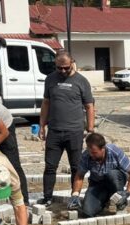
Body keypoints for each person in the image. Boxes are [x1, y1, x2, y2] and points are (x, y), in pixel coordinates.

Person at [38, 51, 95, 205]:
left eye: (66, 68)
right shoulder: (50, 79)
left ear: (72, 63)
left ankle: (74, 197)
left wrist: (90, 129)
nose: (62, 71)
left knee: (76, 167)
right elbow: (46, 103)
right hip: (55, 132)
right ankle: (47, 197)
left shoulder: (81, 81)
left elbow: (89, 106)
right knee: (50, 166)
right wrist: (42, 125)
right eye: (59, 68)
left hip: (74, 132)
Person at [70, 133, 130, 217]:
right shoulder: (86, 155)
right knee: (87, 213)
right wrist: (75, 194)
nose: (91, 155)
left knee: (112, 175)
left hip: (115, 180)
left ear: (103, 148)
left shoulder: (114, 152)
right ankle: (104, 199)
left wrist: (127, 192)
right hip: (97, 183)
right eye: (90, 152)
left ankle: (121, 205)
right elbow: (79, 176)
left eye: (94, 152)